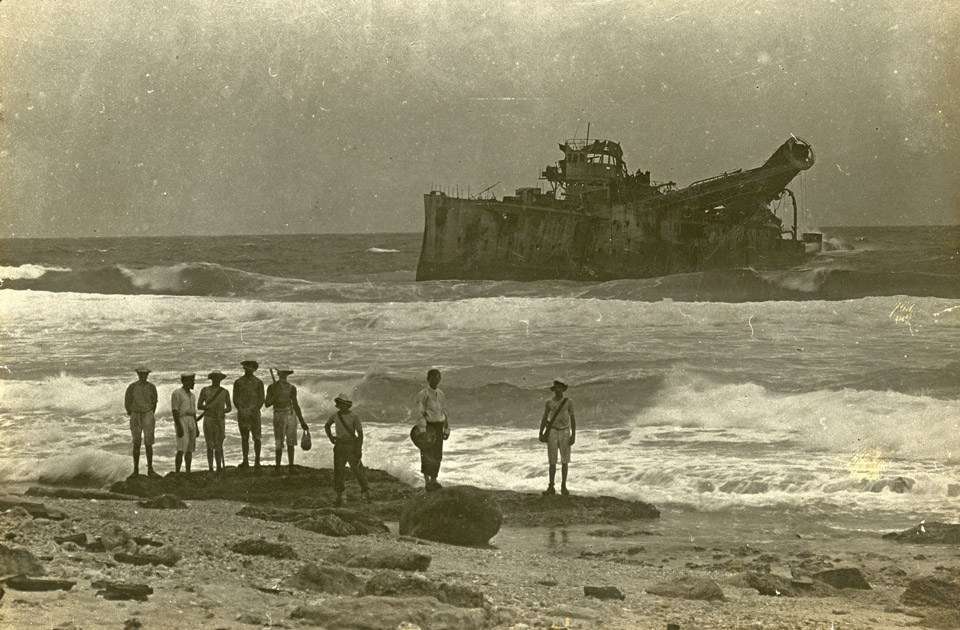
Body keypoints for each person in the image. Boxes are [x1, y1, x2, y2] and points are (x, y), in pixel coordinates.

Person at [324, 393, 370, 506]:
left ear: (347, 405)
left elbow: (360, 435)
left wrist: (359, 450)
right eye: (339, 404)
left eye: (343, 404)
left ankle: (366, 493)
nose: (341, 406)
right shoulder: (335, 415)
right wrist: (331, 438)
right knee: (338, 472)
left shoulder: (354, 416)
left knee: (358, 471)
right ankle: (339, 497)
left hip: (351, 446)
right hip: (339, 446)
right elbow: (327, 425)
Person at [265, 368, 309, 472]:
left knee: (291, 442)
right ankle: (278, 467)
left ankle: (291, 466)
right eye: (282, 374)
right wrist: (275, 396)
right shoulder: (272, 387)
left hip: (290, 415)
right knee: (279, 442)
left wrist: (302, 421)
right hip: (278, 414)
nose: (283, 376)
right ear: (278, 374)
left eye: (285, 374)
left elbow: (296, 405)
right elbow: (267, 404)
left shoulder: (292, 388)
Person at [538, 378, 576, 496]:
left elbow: (573, 419)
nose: (558, 390)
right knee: (552, 461)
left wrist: (573, 435)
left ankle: (563, 486)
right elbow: (545, 418)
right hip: (552, 432)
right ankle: (551, 487)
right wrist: (541, 432)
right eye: (556, 387)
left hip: (565, 432)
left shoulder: (569, 402)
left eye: (560, 387)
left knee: (565, 461)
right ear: (554, 389)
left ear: (563, 389)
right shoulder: (549, 402)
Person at [414, 368, 449, 491]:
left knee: (437, 454)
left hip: (439, 426)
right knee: (427, 454)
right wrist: (423, 430)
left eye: (438, 377)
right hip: (428, 426)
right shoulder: (423, 394)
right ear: (428, 379)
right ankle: (427, 481)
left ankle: (434, 479)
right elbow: (420, 413)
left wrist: (447, 428)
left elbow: (443, 412)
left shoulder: (441, 394)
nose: (436, 380)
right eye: (433, 377)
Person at [124, 367, 159, 478]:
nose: (143, 376)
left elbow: (154, 402)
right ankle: (136, 470)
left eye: (145, 374)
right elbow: (127, 402)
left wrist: (150, 413)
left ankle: (150, 469)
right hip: (135, 414)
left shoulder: (152, 387)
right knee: (136, 443)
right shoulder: (132, 387)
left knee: (149, 443)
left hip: (148, 414)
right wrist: (132, 412)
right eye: (141, 374)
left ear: (147, 375)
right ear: (138, 374)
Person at [232, 359, 265, 470]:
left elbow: (261, 399)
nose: (248, 369)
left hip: (255, 413)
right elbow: (235, 399)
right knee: (244, 438)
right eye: (246, 366)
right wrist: (241, 409)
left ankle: (257, 462)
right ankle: (245, 460)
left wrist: (254, 409)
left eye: (251, 367)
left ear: (254, 369)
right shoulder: (238, 382)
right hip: (242, 413)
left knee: (257, 438)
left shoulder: (259, 382)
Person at [198, 370, 231, 473]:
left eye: (218, 378)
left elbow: (229, 408)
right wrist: (208, 408)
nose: (216, 380)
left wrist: (221, 411)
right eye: (214, 378)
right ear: (211, 379)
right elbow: (199, 406)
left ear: (221, 379)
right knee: (209, 445)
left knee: (219, 445)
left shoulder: (225, 392)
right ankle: (211, 468)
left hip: (220, 420)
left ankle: (219, 468)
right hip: (208, 419)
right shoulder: (205, 390)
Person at [171, 372, 198, 473]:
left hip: (191, 420)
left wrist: (196, 427)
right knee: (181, 448)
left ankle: (188, 471)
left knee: (190, 448)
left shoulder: (192, 395)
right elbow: (175, 411)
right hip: (182, 420)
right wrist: (178, 426)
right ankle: (177, 472)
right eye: (192, 381)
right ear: (185, 381)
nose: (193, 383)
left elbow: (194, 412)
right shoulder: (177, 393)